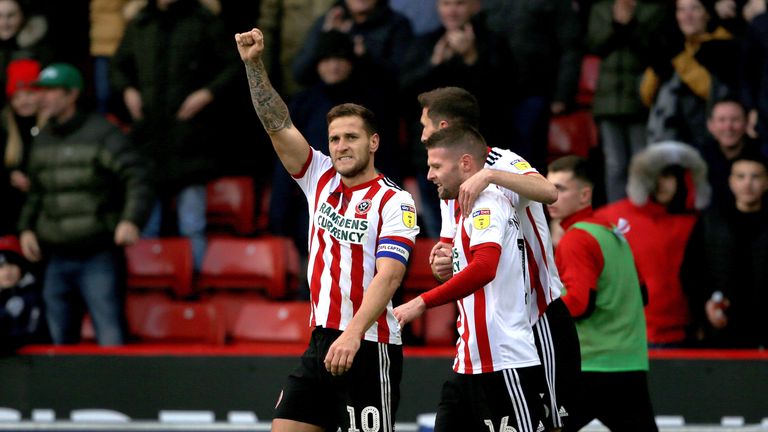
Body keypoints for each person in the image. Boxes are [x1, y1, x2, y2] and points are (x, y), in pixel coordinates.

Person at [235, 28, 421, 431]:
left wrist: (354, 333)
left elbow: (389, 276)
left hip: (370, 346)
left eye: (351, 137)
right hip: (321, 342)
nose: (340, 146)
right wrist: (254, 66)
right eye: (334, 138)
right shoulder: (319, 176)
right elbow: (277, 124)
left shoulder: (396, 201)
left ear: (373, 142)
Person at [418, 86, 580, 431]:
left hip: (538, 315)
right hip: (489, 330)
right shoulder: (447, 181)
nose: (422, 134)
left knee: (552, 423)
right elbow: (450, 251)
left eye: (425, 125)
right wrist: (441, 263)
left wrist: (488, 175)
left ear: (444, 126)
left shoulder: (503, 162)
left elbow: (550, 192)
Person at [394, 125, 545, 432]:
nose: (429, 176)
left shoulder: (487, 202)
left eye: (436, 166)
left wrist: (421, 302)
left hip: (505, 363)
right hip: (469, 363)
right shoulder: (462, 208)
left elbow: (485, 268)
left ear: (465, 163)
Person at [17, 63, 153, 346]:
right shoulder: (42, 139)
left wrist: (131, 219)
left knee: (111, 339)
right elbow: (36, 193)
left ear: (72, 94)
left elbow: (138, 176)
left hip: (98, 254)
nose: (42, 97)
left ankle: (117, 392)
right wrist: (26, 228)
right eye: (40, 91)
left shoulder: (102, 133)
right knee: (58, 345)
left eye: (50, 91)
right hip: (55, 256)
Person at [268, 30, 401, 299]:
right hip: (314, 203)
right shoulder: (304, 102)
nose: (333, 65)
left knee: (369, 276)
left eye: (340, 59)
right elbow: (286, 159)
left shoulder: (372, 101)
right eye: (326, 59)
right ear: (317, 64)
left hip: (369, 203)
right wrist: (278, 210)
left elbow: (389, 154)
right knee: (316, 283)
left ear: (351, 62)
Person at [110, 0, 241, 270]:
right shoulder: (140, 23)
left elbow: (232, 67)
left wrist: (206, 94)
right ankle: (151, 287)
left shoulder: (203, 20)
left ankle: (192, 294)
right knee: (147, 225)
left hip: (190, 138)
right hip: (148, 138)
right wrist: (127, 90)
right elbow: (117, 67)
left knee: (192, 225)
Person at [546, 155, 657, 432]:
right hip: (628, 363)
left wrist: (535, 314)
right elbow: (642, 294)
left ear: (585, 194)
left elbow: (579, 305)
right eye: (548, 188)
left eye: (560, 189)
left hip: (591, 365)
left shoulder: (576, 239)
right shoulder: (613, 233)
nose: (550, 196)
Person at [594, 141, 710, 347]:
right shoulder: (611, 217)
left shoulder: (697, 222)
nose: (661, 184)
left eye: (669, 176)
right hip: (627, 332)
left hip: (682, 332)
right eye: (656, 176)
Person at [585, 0, 671, 203]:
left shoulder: (655, 9)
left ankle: (642, 212)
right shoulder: (601, 8)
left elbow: (655, 49)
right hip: (608, 99)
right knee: (615, 163)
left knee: (641, 161)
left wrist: (630, 24)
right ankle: (618, 216)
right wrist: (616, 25)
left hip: (641, 98)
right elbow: (594, 45)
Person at [681, 150, 768, 348]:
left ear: (766, 183)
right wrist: (705, 305)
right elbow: (691, 272)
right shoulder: (711, 222)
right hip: (722, 328)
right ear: (731, 182)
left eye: (755, 176)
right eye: (741, 176)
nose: (748, 183)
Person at [641, 0, 739, 150]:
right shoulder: (670, 45)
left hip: (707, 141)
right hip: (668, 138)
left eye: (695, 8)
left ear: (707, 14)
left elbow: (712, 91)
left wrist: (681, 59)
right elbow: (647, 97)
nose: (687, 16)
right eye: (681, 10)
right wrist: (656, 70)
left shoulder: (725, 44)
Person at [0, 58, 42, 236]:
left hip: (45, 216)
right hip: (11, 216)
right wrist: (10, 176)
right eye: (17, 96)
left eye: (30, 94)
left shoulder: (52, 127)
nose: (23, 101)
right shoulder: (4, 127)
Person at [701, 97, 760, 208]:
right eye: (722, 120)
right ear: (710, 125)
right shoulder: (699, 158)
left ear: (747, 123)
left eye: (735, 120)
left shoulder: (762, 156)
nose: (728, 127)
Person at [0, 234, 47, 354]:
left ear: (22, 267)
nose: (7, 272)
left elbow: (34, 332)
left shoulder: (33, 294)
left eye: (12, 264)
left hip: (30, 360)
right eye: (1, 267)